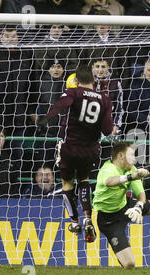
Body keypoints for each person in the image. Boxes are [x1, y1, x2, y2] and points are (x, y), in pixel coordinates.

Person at [37, 64, 115, 243]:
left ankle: (75, 221)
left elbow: (60, 105)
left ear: (77, 81)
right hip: (90, 150)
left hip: (70, 148)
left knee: (67, 184)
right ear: (94, 80)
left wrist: (45, 119)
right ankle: (88, 217)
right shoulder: (105, 99)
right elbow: (108, 128)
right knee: (84, 180)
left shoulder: (74, 92)